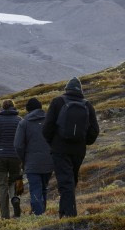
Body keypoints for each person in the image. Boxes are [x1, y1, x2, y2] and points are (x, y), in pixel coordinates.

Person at [42, 77, 100, 217]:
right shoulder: (87, 105)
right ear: (80, 90)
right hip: (78, 151)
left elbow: (46, 128)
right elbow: (94, 131)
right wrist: (84, 142)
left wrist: (53, 143)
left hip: (60, 149)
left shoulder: (57, 102)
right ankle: (64, 214)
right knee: (70, 181)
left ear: (66, 89)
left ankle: (69, 215)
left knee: (65, 182)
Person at [14, 97, 53, 215]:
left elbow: (18, 145)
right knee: (43, 188)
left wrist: (23, 159)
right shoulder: (50, 120)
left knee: (35, 189)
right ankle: (42, 212)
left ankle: (38, 215)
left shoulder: (24, 123)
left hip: (31, 162)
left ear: (28, 110)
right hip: (49, 161)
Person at [0, 99, 24, 219]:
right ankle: (15, 199)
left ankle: (5, 215)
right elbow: (23, 139)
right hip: (15, 156)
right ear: (13, 107)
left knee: (2, 185)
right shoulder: (19, 120)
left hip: (0, 156)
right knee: (15, 181)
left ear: (3, 107)